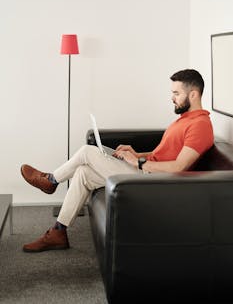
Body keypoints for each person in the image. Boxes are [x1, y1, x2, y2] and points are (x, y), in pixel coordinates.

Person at [20, 69, 214, 252]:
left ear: (194, 95)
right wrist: (136, 154)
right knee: (83, 173)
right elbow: (163, 155)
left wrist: (137, 163)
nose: (172, 97)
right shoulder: (185, 119)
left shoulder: (200, 126)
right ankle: (58, 231)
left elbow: (179, 167)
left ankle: (51, 180)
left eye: (176, 93)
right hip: (147, 172)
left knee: (88, 152)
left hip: (155, 183)